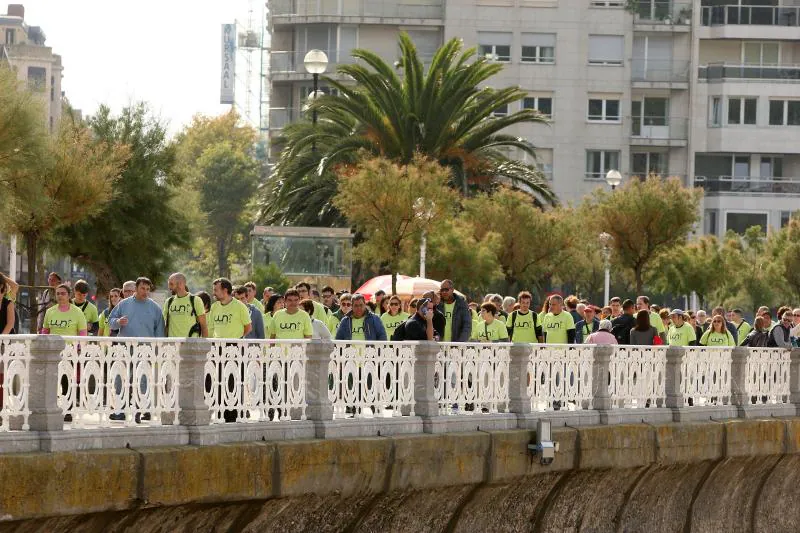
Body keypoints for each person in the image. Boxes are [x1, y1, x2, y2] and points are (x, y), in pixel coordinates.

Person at [163, 272, 207, 338]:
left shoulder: (196, 300)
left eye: (171, 284)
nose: (169, 287)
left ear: (180, 284)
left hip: (191, 344)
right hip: (173, 345)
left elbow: (204, 326)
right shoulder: (168, 301)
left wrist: (204, 346)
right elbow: (165, 325)